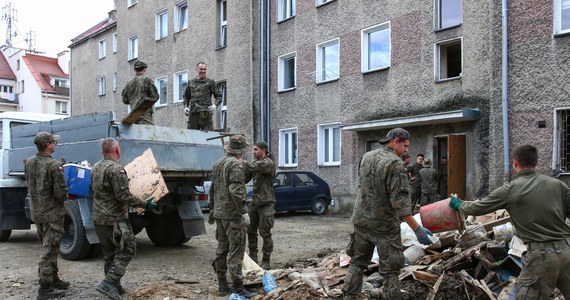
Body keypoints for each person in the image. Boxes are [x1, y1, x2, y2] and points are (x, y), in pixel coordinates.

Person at [449, 145, 570, 299]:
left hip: (541, 257)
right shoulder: (558, 185)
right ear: (536, 163)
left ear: (515, 163)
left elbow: (476, 208)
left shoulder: (509, 190)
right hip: (567, 251)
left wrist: (458, 204)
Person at [342, 128, 433, 300]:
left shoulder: (366, 157)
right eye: (405, 146)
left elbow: (363, 186)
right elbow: (400, 204)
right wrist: (417, 229)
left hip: (361, 221)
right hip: (384, 226)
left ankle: (348, 297)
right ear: (395, 141)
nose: (407, 150)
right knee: (391, 272)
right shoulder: (396, 164)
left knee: (356, 264)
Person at [90, 138, 157, 300]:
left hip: (99, 217)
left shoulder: (96, 167)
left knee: (110, 253)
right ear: (117, 151)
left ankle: (113, 285)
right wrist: (145, 204)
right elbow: (124, 196)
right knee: (128, 248)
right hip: (115, 218)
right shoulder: (116, 170)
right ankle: (109, 282)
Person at [209, 135, 257, 298]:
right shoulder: (237, 165)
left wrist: (212, 209)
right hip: (233, 215)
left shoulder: (218, 164)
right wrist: (244, 212)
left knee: (222, 249)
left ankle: (222, 285)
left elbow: (212, 190)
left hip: (220, 214)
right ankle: (237, 288)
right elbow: (236, 191)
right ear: (241, 150)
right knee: (236, 251)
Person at [25, 132, 70, 299]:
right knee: (50, 250)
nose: (55, 145)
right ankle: (44, 288)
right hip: (52, 214)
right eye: (53, 142)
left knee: (52, 247)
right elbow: (60, 193)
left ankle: (53, 278)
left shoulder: (29, 162)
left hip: (37, 213)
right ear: (48, 145)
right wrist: (67, 191)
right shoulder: (54, 165)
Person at [244, 141, 276, 270]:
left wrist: (239, 161)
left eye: (256, 149)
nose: (253, 152)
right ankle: (253, 258)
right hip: (256, 201)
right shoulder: (256, 164)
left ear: (263, 150)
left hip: (267, 202)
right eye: (253, 149)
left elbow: (252, 167)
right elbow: (247, 177)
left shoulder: (267, 163)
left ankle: (266, 260)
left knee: (265, 232)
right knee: (250, 230)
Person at [183, 62, 222, 130]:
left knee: (207, 136)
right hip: (193, 114)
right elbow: (186, 96)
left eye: (204, 69)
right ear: (197, 70)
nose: (203, 71)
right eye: (201, 69)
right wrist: (186, 106)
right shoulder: (191, 82)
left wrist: (215, 105)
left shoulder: (210, 82)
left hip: (205, 114)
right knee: (192, 136)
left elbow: (219, 96)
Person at [121, 60, 159, 125]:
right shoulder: (147, 80)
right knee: (148, 133)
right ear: (145, 69)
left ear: (135, 70)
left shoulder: (128, 83)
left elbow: (125, 100)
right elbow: (155, 97)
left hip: (133, 117)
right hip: (145, 116)